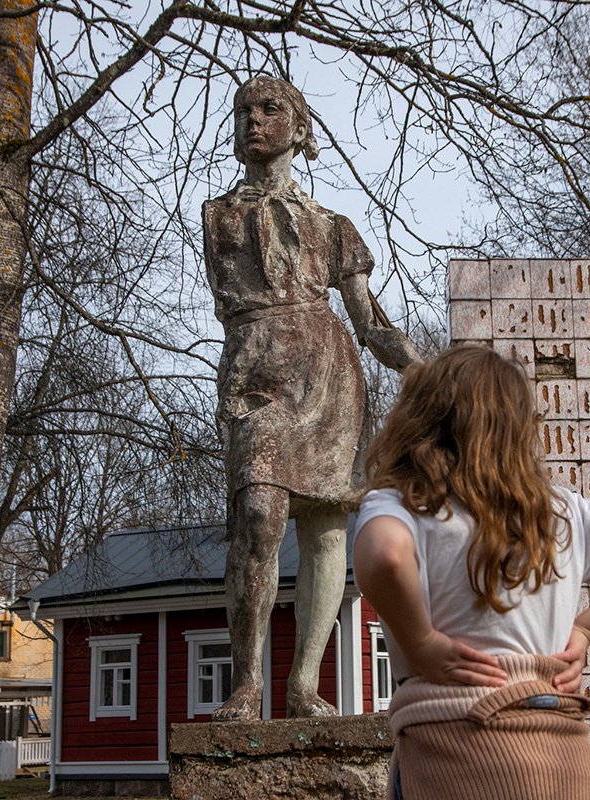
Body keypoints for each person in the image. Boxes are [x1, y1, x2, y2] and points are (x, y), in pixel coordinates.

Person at [353, 344, 590, 799]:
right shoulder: (560, 512)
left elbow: (384, 554)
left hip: (453, 750)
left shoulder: (405, 502)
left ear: (421, 418)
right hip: (559, 752)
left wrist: (422, 643)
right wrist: (584, 630)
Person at [202, 75, 419, 720]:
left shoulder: (333, 227)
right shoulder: (221, 215)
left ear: (299, 128)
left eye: (271, 109)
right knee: (257, 518)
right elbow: (239, 302)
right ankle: (246, 684)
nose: (254, 120)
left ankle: (302, 683)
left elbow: (369, 319)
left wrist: (421, 367)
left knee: (325, 530)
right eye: (244, 111)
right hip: (257, 374)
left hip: (327, 377)